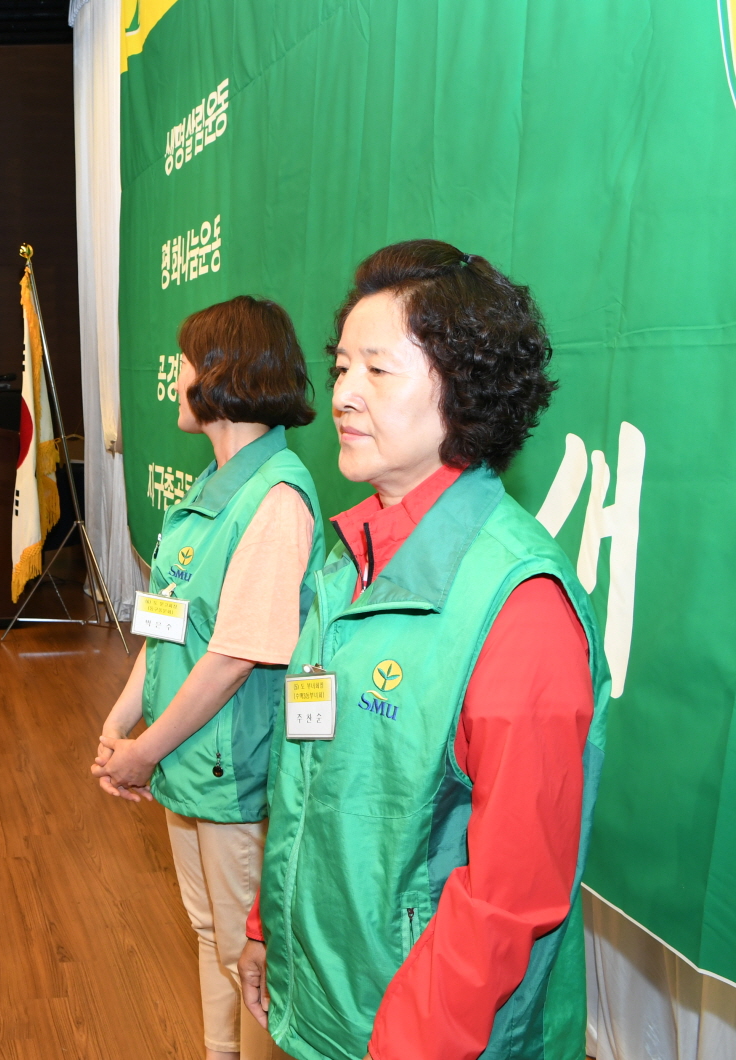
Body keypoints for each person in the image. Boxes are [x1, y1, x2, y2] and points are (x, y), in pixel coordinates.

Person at [237, 241, 608, 1060]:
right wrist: (271, 926)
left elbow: (512, 895)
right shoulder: (347, 558)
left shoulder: (518, 605)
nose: (343, 395)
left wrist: (406, 1043)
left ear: (463, 390)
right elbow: (305, 774)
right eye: (340, 369)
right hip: (324, 1003)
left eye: (378, 370)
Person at [90, 296, 324, 1060]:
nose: (175, 380)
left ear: (221, 376)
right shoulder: (206, 493)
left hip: (231, 774)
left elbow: (230, 659)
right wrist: (120, 723)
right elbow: (164, 628)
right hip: (185, 761)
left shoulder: (276, 499)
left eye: (185, 365)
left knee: (250, 955)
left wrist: (145, 751)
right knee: (210, 933)